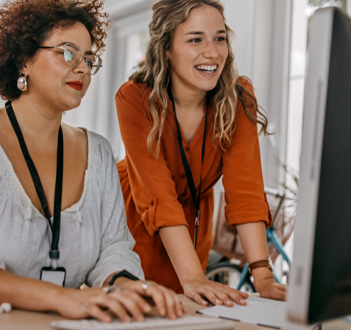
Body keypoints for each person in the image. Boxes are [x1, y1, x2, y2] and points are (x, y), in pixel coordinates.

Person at [0, 0, 185, 322]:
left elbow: (114, 251)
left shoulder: (97, 152)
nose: (82, 68)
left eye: (88, 58)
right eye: (68, 53)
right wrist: (61, 297)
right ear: (24, 59)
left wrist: (126, 287)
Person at [115, 0, 287, 308]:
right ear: (165, 47)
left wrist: (263, 277)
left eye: (219, 38)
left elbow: (245, 192)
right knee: (145, 313)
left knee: (191, 313)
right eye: (196, 39)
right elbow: (159, 196)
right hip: (134, 222)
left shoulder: (237, 98)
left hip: (194, 227)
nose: (212, 52)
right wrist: (193, 276)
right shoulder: (135, 98)